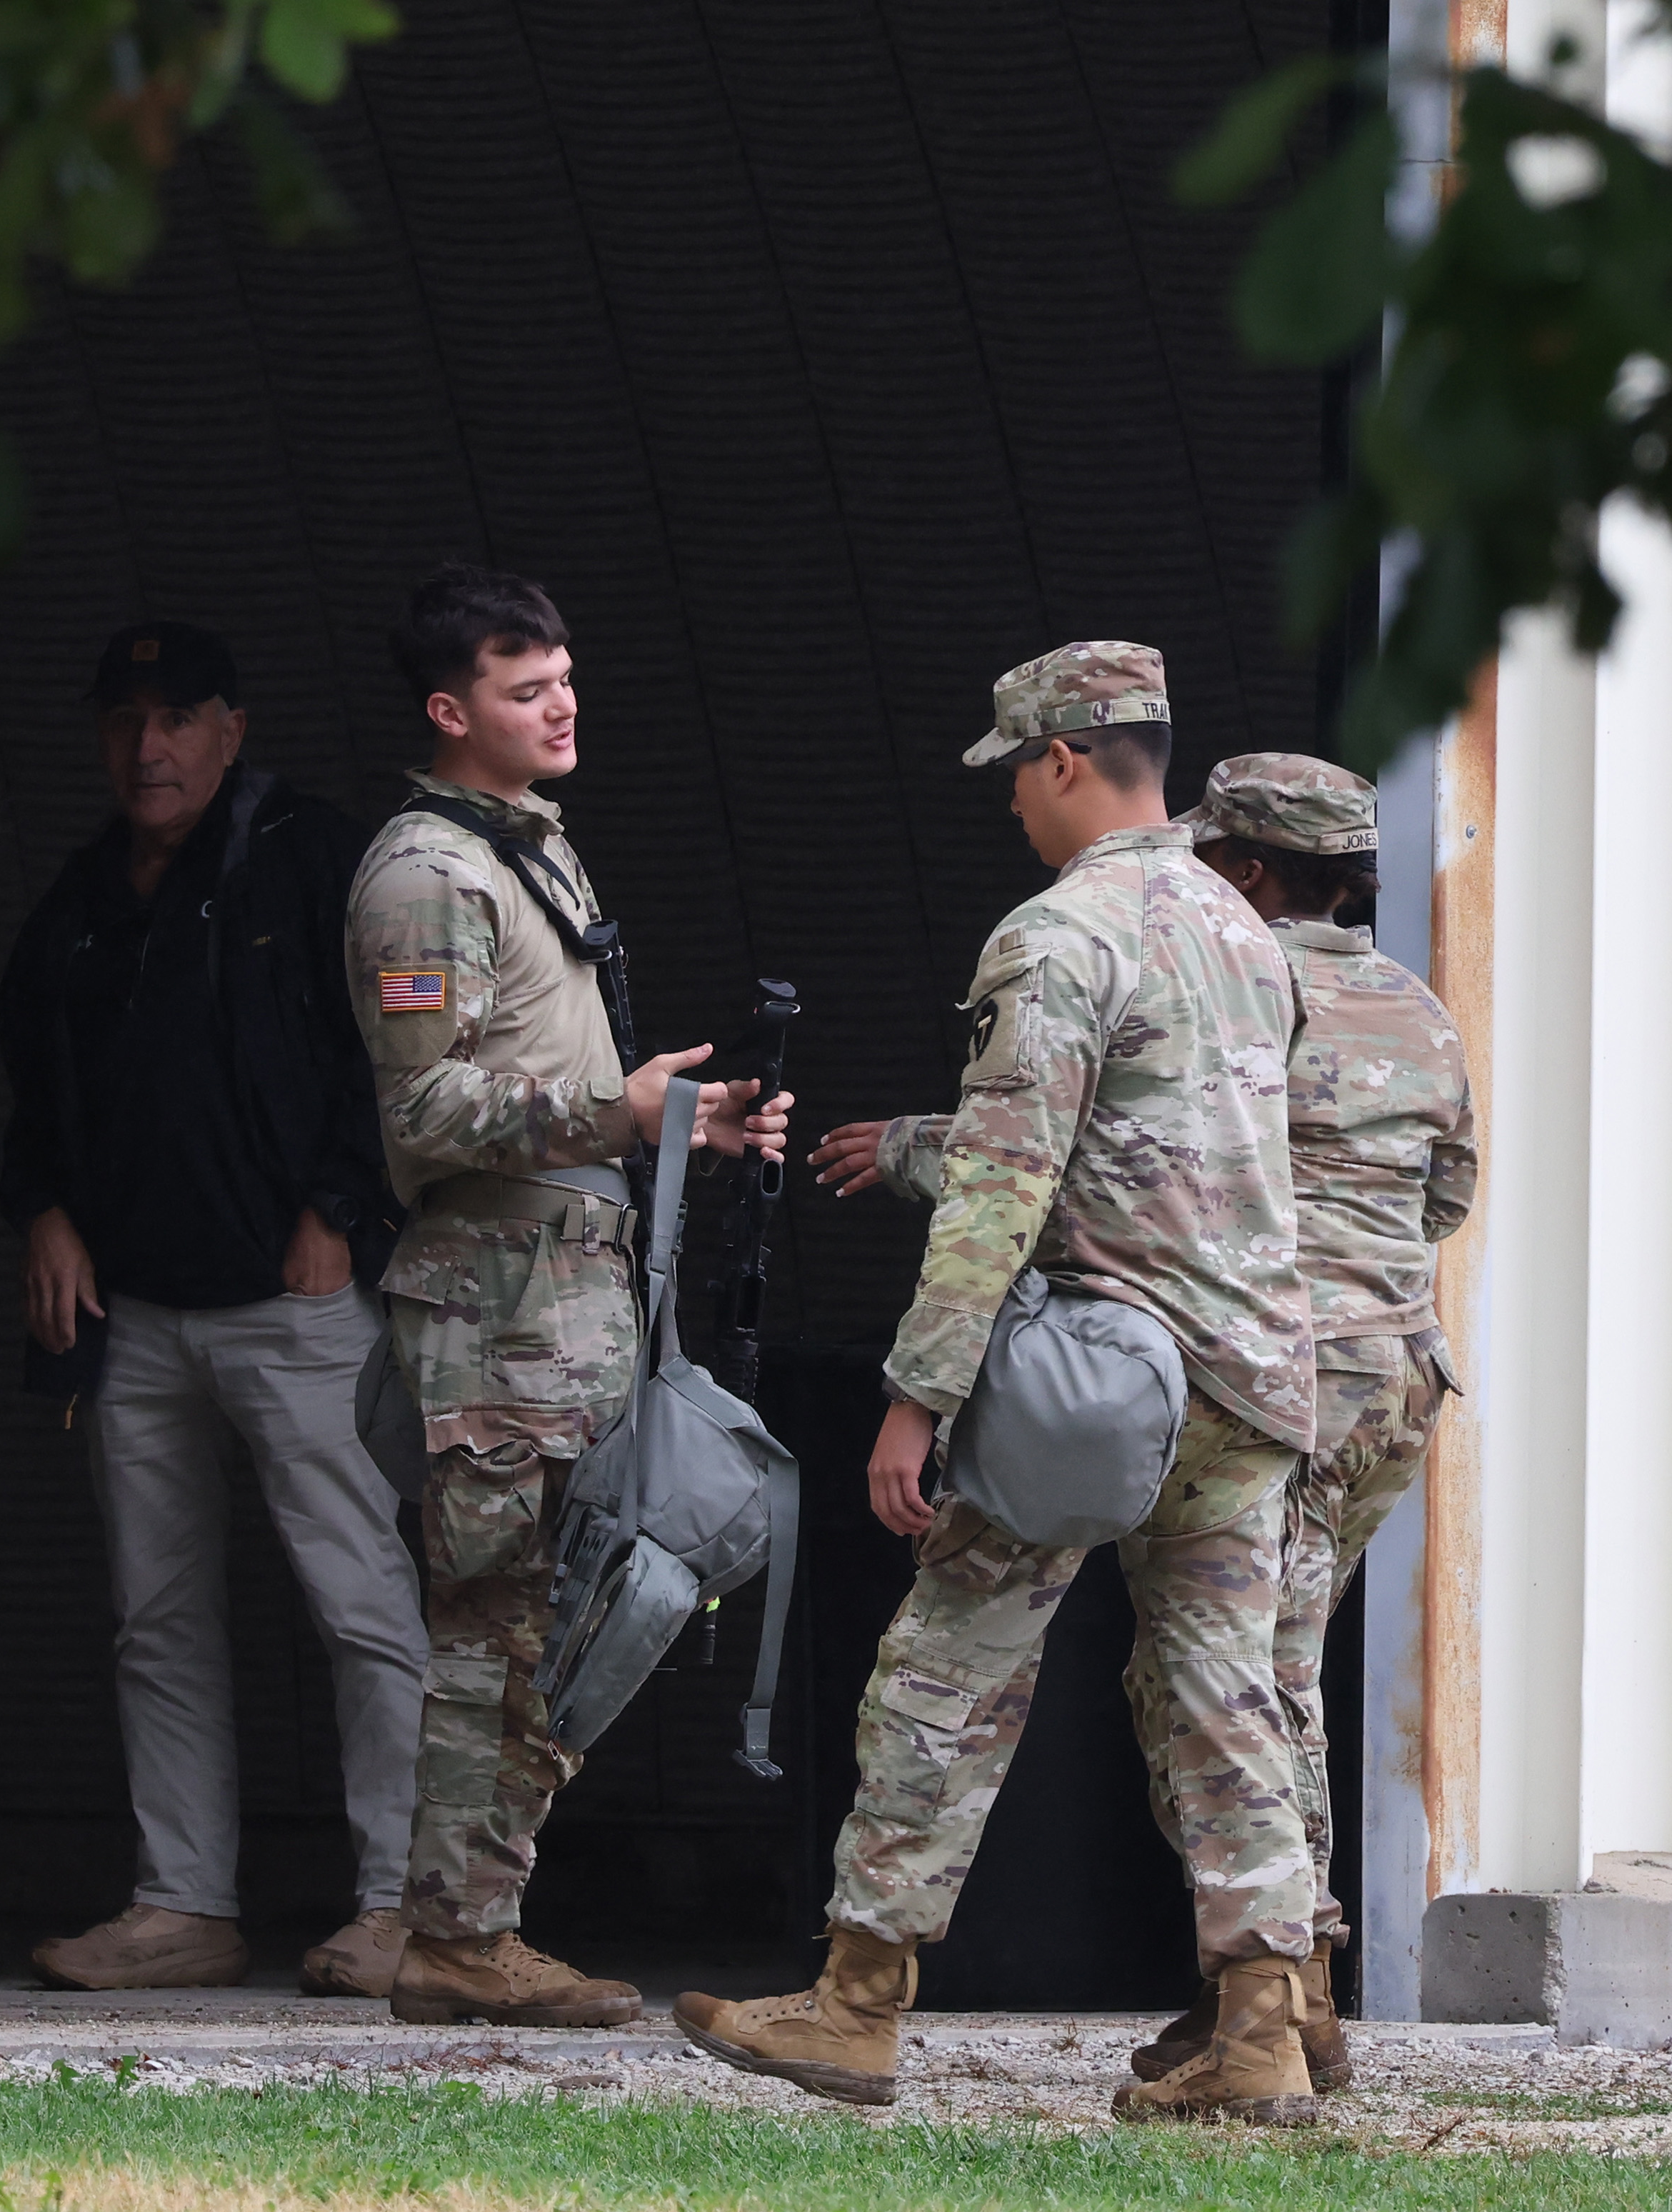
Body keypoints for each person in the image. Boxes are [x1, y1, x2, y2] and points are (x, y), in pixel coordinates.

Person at [676, 642, 1324, 2121]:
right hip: (1250, 1380)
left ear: (1063, 762)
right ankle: (1263, 2031)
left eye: (1015, 778)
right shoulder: (1243, 929)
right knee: (1229, 1700)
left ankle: (854, 2006)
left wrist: (920, 1396)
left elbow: (1003, 1185)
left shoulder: (1060, 934)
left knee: (947, 1668)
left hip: (1104, 1380)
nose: (1012, 812)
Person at [346, 564, 791, 2029]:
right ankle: (460, 1936)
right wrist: (618, 1104)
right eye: (524, 686)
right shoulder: (429, 872)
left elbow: (568, 1102)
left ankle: (477, 1920)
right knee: (500, 1619)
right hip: (495, 1303)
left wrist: (688, 1125)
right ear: (447, 709)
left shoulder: (526, 849)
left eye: (564, 676)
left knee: (558, 1604)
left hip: (562, 1290)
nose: (560, 702)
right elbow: (426, 1120)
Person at [0, 620, 429, 1998]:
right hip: (139, 1317)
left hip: (293, 1305)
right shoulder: (81, 895)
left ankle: (402, 1906)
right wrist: (46, 1209)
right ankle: (182, 1904)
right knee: (158, 1617)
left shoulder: (313, 854)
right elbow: (33, 1073)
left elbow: (399, 1050)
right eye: (124, 718)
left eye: (178, 716)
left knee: (361, 1601)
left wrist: (342, 1212)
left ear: (231, 730)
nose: (148, 744)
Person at [1115, 754, 1473, 2093]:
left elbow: (1149, 1156)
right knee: (1276, 1675)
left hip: (1284, 1380)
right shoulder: (1416, 1005)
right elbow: (1449, 1192)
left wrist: (918, 1149)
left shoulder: (1243, 987)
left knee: (1225, 1687)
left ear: (1251, 873)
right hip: (1396, 1375)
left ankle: (1276, 1999)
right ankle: (1275, 2000)